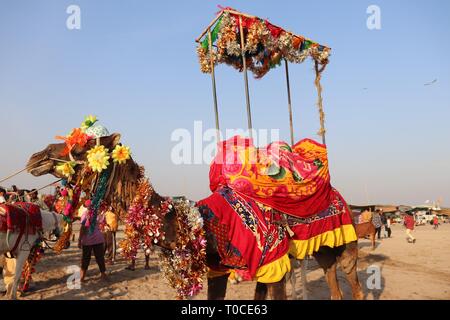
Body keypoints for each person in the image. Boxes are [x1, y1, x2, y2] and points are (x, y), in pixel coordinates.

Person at [78, 201, 108, 282]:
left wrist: (79, 239)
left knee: (85, 258)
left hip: (87, 240)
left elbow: (83, 228)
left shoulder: (85, 214)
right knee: (100, 257)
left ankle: (82, 277)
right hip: (98, 239)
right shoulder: (98, 214)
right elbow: (102, 222)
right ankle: (103, 274)